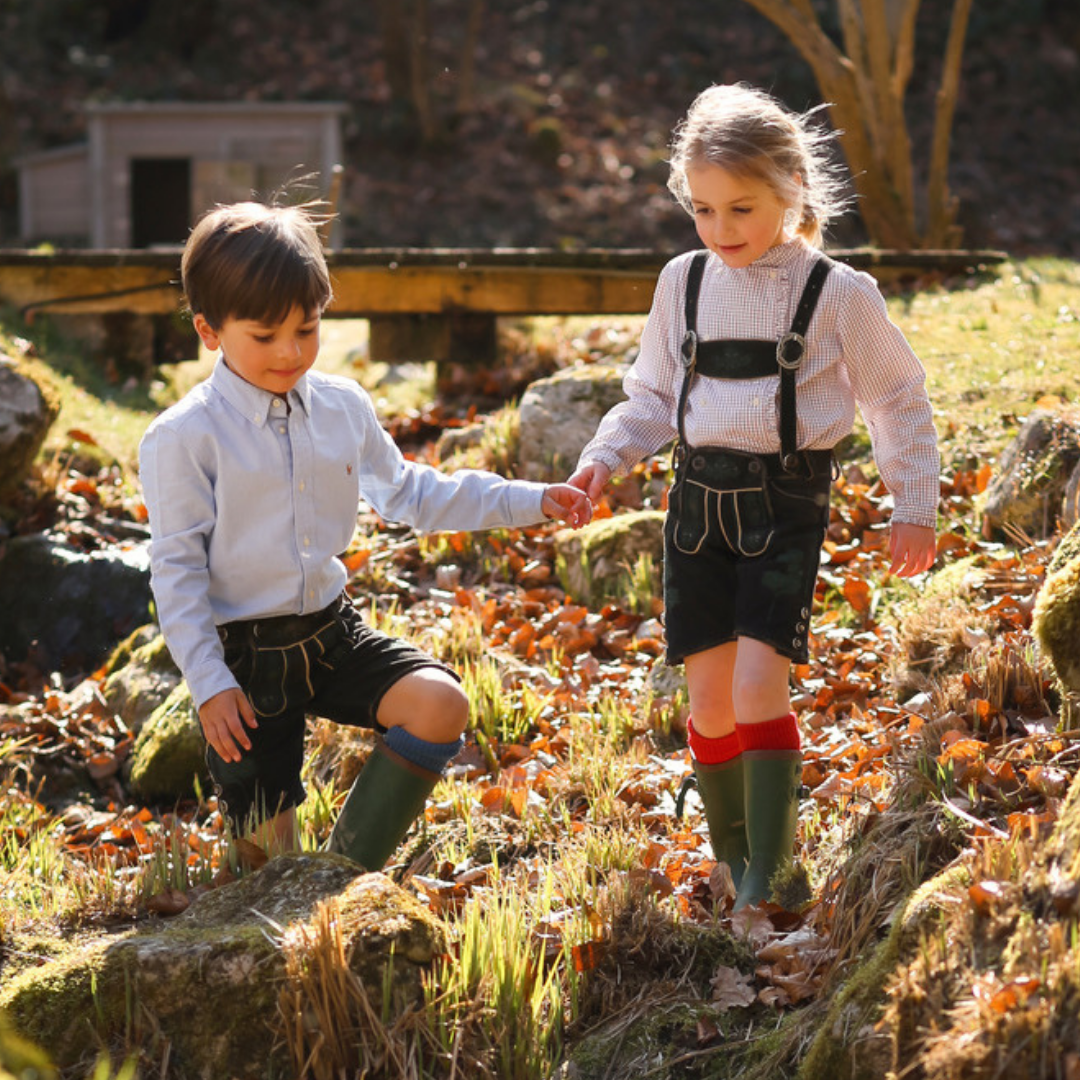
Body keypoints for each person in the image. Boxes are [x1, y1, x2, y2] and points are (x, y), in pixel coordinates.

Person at [568, 84, 939, 909]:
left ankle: (774, 869)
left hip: (784, 507)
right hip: (696, 508)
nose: (721, 229)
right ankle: (731, 858)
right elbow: (653, 397)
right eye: (702, 209)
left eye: (742, 208)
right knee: (705, 695)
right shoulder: (684, 282)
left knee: (755, 687)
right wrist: (603, 459)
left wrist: (913, 502)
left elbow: (897, 397)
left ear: (791, 192)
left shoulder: (839, 293)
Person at [140, 200, 592, 870]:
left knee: (439, 704)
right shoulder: (183, 438)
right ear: (209, 331)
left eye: (308, 328)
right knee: (266, 868)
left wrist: (534, 501)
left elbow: (412, 492)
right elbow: (175, 573)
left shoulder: (343, 405)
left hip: (331, 634)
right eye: (264, 337)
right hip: (243, 657)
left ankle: (346, 876)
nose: (291, 352)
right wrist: (208, 683)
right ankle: (284, 897)